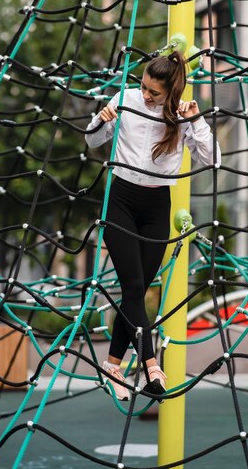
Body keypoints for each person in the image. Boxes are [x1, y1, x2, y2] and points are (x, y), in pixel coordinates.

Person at [85, 51, 221, 401]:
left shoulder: (181, 114)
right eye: (144, 86)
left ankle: (113, 364)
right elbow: (92, 140)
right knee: (132, 286)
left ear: (171, 93)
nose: (145, 95)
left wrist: (197, 121)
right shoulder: (126, 99)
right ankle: (150, 363)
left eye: (154, 93)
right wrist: (101, 119)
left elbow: (213, 159)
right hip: (121, 200)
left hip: (158, 205)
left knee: (137, 291)